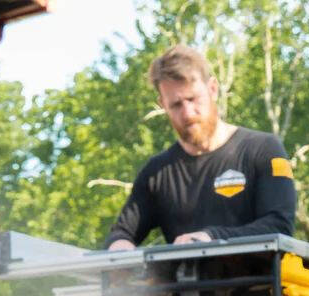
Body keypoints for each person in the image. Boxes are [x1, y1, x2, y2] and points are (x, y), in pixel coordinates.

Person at [106, 45, 296, 250]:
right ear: (162, 104)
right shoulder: (156, 173)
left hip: (257, 271)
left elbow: (279, 226)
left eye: (193, 99)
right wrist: (119, 248)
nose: (188, 113)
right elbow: (121, 233)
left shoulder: (264, 150)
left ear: (212, 89)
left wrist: (211, 238)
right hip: (183, 273)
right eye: (176, 104)